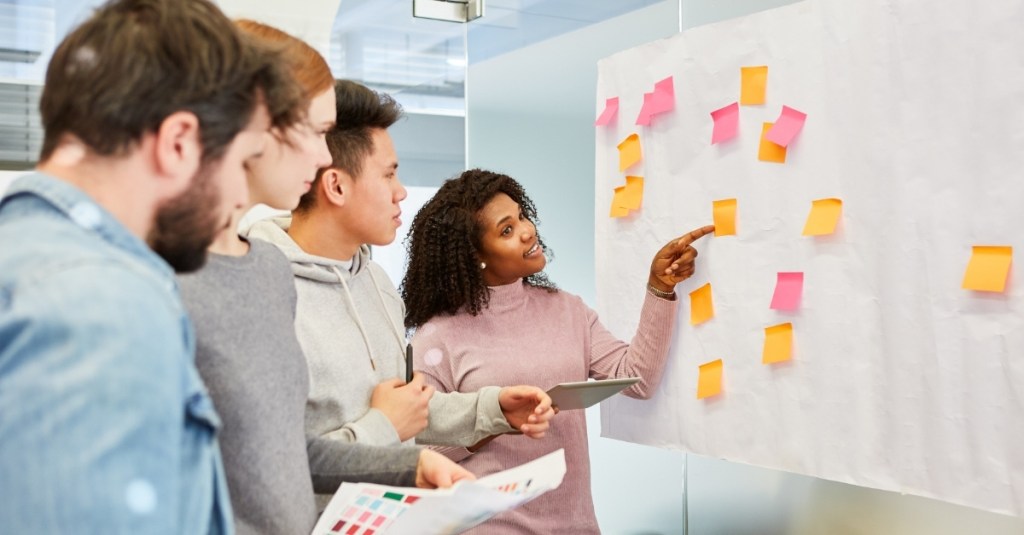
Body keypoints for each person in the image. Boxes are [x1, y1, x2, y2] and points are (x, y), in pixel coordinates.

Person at [0, 0, 306, 533]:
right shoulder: (100, 306)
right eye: (239, 161)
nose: (239, 193)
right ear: (179, 143)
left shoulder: (26, 254)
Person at [177, 22, 472, 535]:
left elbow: (286, 451)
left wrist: (411, 463)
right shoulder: (168, 275)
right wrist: (384, 432)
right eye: (313, 133)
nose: (319, 157)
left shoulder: (265, 271)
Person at [246, 80, 555, 508]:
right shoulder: (260, 295)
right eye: (389, 174)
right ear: (336, 186)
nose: (402, 191)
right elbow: (260, 463)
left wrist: (494, 409)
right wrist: (382, 426)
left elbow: (409, 408)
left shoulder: (377, 283)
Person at [401, 168, 715, 534]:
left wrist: (659, 287)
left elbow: (638, 380)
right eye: (506, 230)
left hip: (575, 525)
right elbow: (418, 455)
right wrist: (497, 417)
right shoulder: (436, 339)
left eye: (521, 216)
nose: (527, 230)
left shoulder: (567, 309)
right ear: (474, 257)